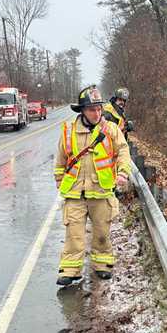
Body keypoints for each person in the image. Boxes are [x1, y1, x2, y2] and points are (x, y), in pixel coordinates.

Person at [53, 86, 131, 286]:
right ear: (82, 110)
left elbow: (123, 152)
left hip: (101, 190)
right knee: (74, 234)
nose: (97, 113)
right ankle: (70, 270)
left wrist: (122, 173)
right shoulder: (68, 131)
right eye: (91, 109)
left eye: (99, 109)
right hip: (75, 192)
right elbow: (60, 160)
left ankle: (102, 266)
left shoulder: (110, 129)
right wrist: (60, 181)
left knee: (102, 232)